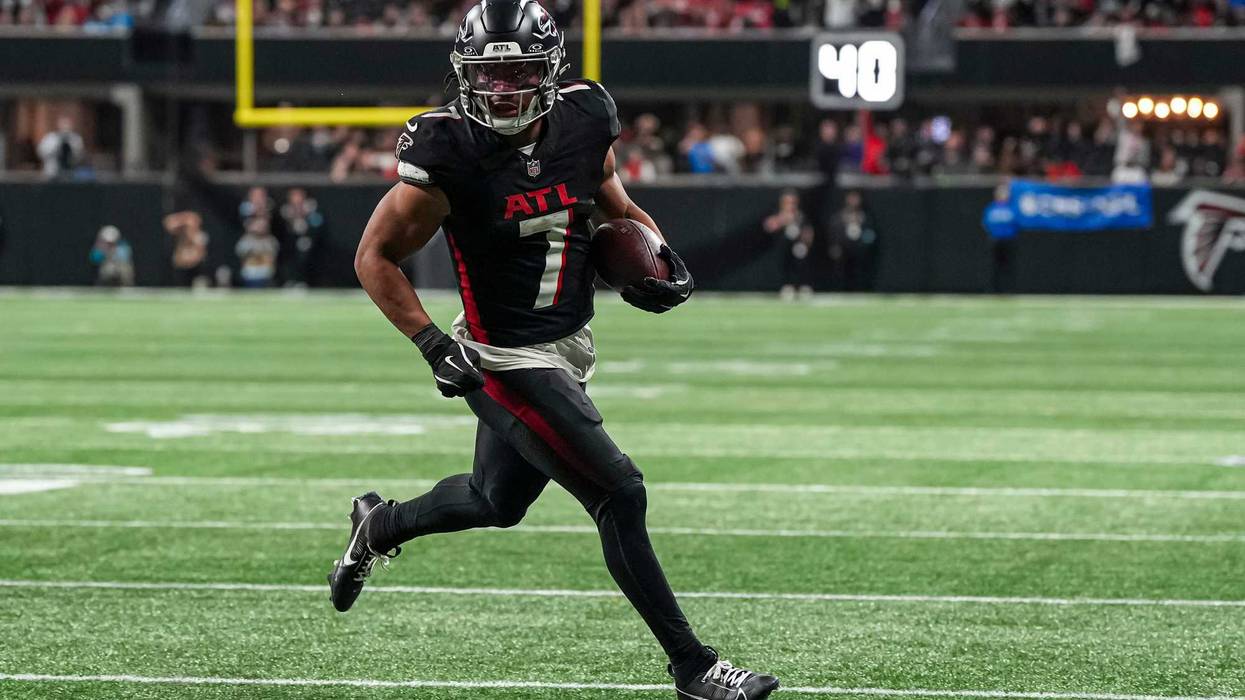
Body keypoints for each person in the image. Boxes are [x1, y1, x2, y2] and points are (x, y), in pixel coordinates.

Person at [336, 3, 780, 699]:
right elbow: (374, 256)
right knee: (619, 492)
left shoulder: (584, 119)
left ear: (549, 70)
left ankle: (377, 525)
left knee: (494, 500)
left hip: (568, 343)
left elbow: (615, 206)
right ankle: (694, 668)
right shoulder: (447, 150)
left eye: (519, 70)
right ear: (465, 74)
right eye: (491, 73)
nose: (505, 88)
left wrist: (661, 260)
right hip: (503, 359)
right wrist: (428, 343)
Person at [763, 189, 815, 299]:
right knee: (785, 265)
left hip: (798, 247)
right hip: (783, 247)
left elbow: (808, 231)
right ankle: (787, 287)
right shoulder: (778, 214)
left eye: (793, 202)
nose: (790, 205)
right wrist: (783, 220)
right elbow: (768, 225)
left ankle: (802, 287)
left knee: (800, 264)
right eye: (788, 202)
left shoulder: (800, 216)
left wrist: (805, 241)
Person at [829, 190, 878, 291]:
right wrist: (835, 246)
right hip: (844, 253)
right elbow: (834, 233)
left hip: (860, 252)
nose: (854, 201)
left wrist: (865, 245)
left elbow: (870, 234)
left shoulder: (866, 217)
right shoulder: (839, 217)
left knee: (860, 274)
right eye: (851, 198)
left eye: (856, 198)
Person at [277, 187, 324, 286]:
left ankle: (307, 281)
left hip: (310, 247)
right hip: (290, 247)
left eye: (299, 195)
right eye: (294, 196)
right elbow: (282, 231)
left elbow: (318, 224)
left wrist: (307, 215)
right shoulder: (285, 211)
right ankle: (290, 280)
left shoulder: (312, 209)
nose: (297, 199)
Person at [982, 182, 1019, 293]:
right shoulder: (991, 208)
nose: (1003, 196)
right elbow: (986, 223)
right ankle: (993, 289)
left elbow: (1017, 223)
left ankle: (1008, 290)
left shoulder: (1012, 208)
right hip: (996, 240)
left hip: (1009, 240)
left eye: (1005, 193)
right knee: (994, 266)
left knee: (1008, 266)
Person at [163, 211, 210, 288]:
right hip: (181, 270)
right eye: (188, 226)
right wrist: (183, 219)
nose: (189, 227)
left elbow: (199, 256)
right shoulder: (181, 236)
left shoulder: (200, 237)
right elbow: (168, 223)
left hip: (195, 270)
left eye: (192, 224)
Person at [234, 217, 279, 288]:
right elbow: (240, 253)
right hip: (250, 274)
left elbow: (273, 256)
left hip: (266, 274)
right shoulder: (246, 240)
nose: (260, 228)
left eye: (262, 226)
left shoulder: (271, 240)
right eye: (258, 226)